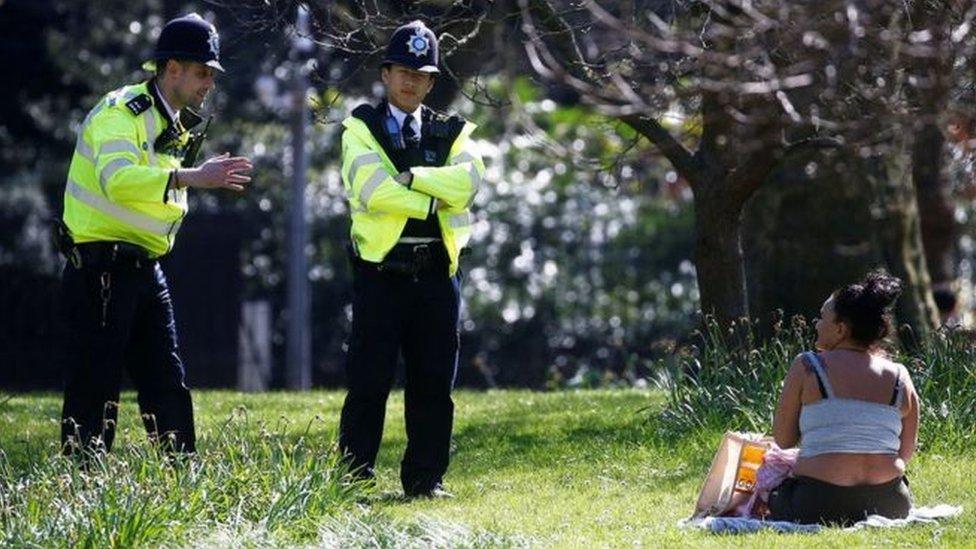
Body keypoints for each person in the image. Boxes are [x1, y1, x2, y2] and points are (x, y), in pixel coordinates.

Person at [56, 13, 253, 455]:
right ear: (172, 69)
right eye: (202, 72)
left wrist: (192, 176)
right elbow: (118, 180)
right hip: (100, 269)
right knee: (95, 386)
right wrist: (192, 177)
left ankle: (182, 476)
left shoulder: (173, 123)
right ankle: (80, 484)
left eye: (211, 74)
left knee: (167, 381)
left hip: (144, 268)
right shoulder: (121, 112)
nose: (209, 84)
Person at [336, 20, 485, 498]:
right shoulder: (361, 126)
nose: (410, 81)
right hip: (382, 275)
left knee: (434, 385)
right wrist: (432, 195)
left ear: (432, 81)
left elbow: (469, 185)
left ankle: (426, 479)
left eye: (420, 74)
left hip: (436, 274)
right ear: (385, 73)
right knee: (368, 382)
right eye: (402, 71)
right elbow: (373, 191)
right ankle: (352, 478)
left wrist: (411, 177)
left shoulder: (453, 130)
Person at [769, 271, 920, 525]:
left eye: (822, 317)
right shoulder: (900, 377)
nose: (816, 324)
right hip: (891, 502)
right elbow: (904, 453)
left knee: (770, 491)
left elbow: (783, 440)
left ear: (841, 329)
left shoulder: (807, 366)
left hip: (817, 502)